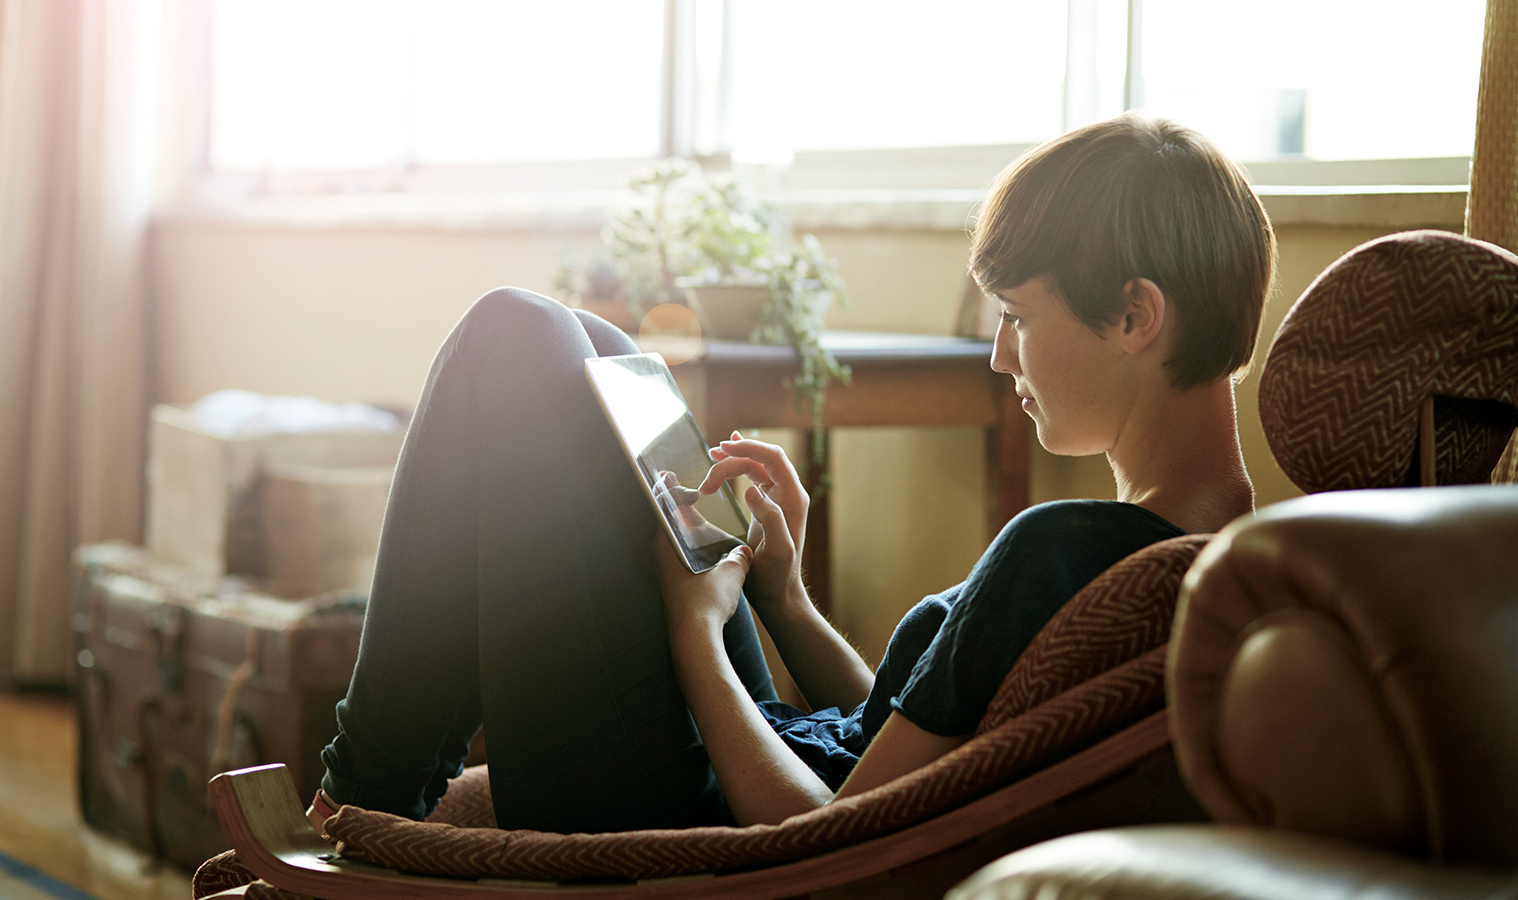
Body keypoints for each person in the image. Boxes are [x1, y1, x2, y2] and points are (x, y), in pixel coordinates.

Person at [311, 114, 1276, 833]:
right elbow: (895, 745)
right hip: (758, 755)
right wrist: (782, 598)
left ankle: (358, 803)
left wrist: (696, 628)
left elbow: (823, 831)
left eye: (1018, 316)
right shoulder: (1192, 555)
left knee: (513, 338)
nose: (1000, 357)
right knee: (597, 350)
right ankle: (371, 792)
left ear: (1135, 317)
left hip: (701, 821)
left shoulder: (1071, 552)